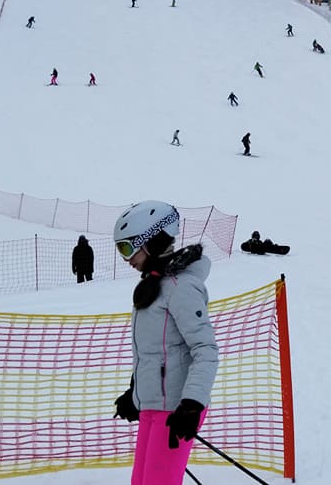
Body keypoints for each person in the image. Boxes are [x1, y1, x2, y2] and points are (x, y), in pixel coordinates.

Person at [110, 201, 217, 485]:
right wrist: (136, 394)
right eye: (120, 249)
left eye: (127, 248)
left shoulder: (182, 288)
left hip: (177, 409)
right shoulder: (153, 287)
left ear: (151, 241)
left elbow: (205, 350)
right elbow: (153, 354)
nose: (125, 258)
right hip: (154, 405)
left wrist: (192, 405)